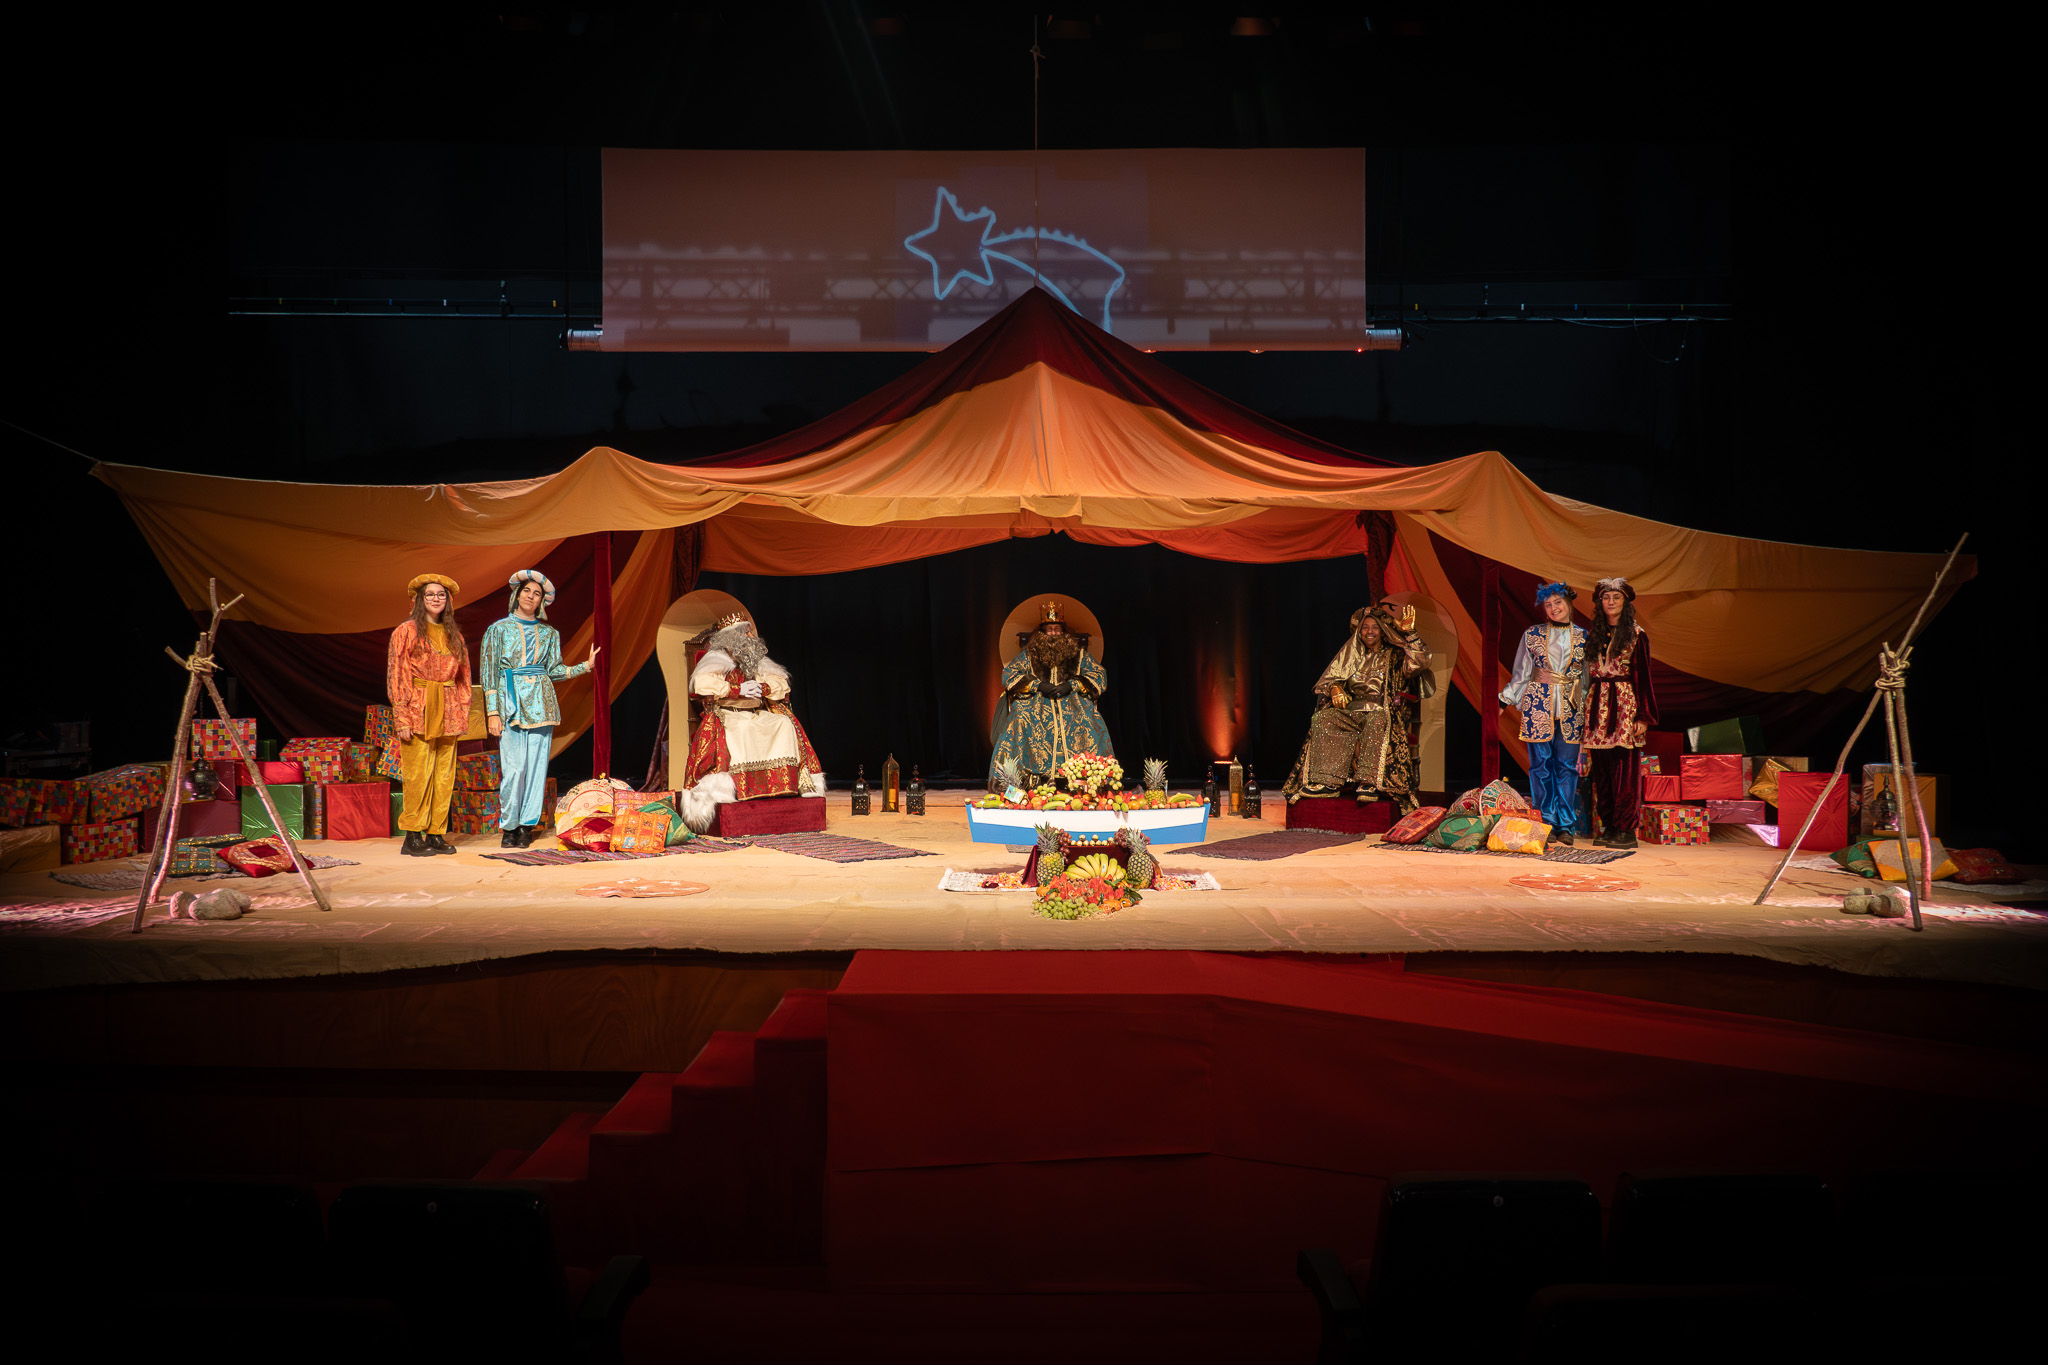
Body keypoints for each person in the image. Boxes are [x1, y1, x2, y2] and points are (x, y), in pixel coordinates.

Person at [480, 570, 598, 848]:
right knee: (514, 769)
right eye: (527, 591)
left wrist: (585, 666)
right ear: (516, 594)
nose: (531, 596)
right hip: (510, 704)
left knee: (535, 769)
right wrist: (493, 712)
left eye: (537, 594)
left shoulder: (549, 634)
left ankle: (526, 827)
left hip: (541, 705)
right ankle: (509, 825)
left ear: (542, 601)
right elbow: (489, 673)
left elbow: (554, 670)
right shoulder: (498, 630)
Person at [1282, 601, 1435, 811]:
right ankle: (1327, 781)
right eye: (1365, 627)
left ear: (1383, 631)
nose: (1369, 632)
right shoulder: (1352, 654)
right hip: (1352, 710)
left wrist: (1410, 634)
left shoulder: (1396, 655)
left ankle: (1368, 782)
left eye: (1374, 628)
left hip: (1381, 710)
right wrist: (1336, 688)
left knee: (1375, 719)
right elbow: (1331, 679)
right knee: (1323, 718)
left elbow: (1421, 662)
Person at [680, 611, 824, 832]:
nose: (751, 636)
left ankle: (784, 785)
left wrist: (763, 688)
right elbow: (702, 684)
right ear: (732, 637)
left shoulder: (755, 660)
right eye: (746, 632)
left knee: (783, 724)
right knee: (744, 727)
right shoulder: (717, 659)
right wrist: (736, 689)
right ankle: (742, 788)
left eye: (750, 632)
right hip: (730, 712)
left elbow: (781, 683)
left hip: (757, 711)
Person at [388, 573, 473, 857]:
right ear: (419, 600)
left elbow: (464, 677)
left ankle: (436, 833)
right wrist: (401, 716)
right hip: (419, 706)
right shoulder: (406, 631)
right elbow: (397, 674)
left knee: (444, 775)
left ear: (448, 600)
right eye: (430, 594)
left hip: (448, 708)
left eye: (441, 594)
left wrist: (462, 712)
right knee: (418, 774)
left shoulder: (454, 635)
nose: (436, 598)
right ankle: (412, 835)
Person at [988, 600, 1114, 789]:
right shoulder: (1030, 654)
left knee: (1089, 720)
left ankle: (1087, 778)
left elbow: (1099, 675)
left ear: (1064, 631)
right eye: (1049, 629)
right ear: (1042, 632)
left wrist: (1072, 685)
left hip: (1073, 701)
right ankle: (1023, 780)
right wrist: (1037, 685)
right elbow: (1009, 675)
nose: (1053, 633)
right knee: (1020, 718)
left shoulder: (1078, 654)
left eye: (1057, 629)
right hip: (1036, 702)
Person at [1500, 582, 1588, 842]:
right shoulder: (1533, 634)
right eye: (1548, 605)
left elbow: (1586, 678)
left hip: (1571, 708)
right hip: (1538, 705)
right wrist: (1505, 700)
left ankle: (1566, 825)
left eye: (1558, 602)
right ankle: (1545, 820)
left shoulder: (1584, 637)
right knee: (1540, 766)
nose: (1553, 608)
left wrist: (1586, 706)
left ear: (1569, 604)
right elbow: (1522, 672)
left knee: (1567, 767)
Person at [1580, 576, 1658, 847]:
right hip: (1597, 704)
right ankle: (1610, 825)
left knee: (1624, 770)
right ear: (1599, 602)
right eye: (1606, 597)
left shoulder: (1636, 634)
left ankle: (1626, 829)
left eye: (1616, 597)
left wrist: (1643, 716)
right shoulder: (1595, 634)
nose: (1611, 602)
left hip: (1624, 704)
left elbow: (1644, 677)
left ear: (1625, 603)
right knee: (1602, 770)